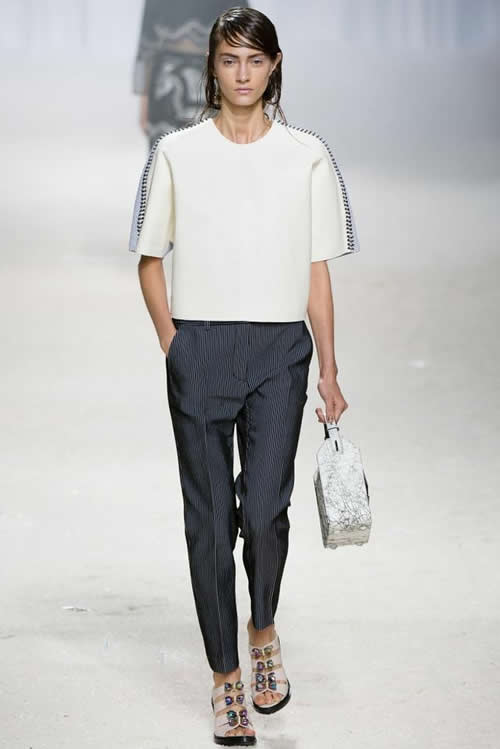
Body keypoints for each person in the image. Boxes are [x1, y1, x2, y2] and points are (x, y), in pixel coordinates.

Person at [128, 6, 360, 745]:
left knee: (263, 510)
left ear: (274, 65)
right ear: (213, 66)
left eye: (255, 60)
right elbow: (149, 260)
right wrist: (175, 346)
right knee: (209, 521)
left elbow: (317, 268)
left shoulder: (307, 155)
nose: (242, 74)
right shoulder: (176, 152)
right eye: (229, 60)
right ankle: (226, 677)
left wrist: (329, 367)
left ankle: (263, 630)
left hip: (280, 351)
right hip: (200, 346)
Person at [132, 0, 249, 148]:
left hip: (210, 77)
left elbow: (245, 37)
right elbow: (147, 43)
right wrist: (144, 100)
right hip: (168, 81)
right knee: (168, 153)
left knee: (207, 152)